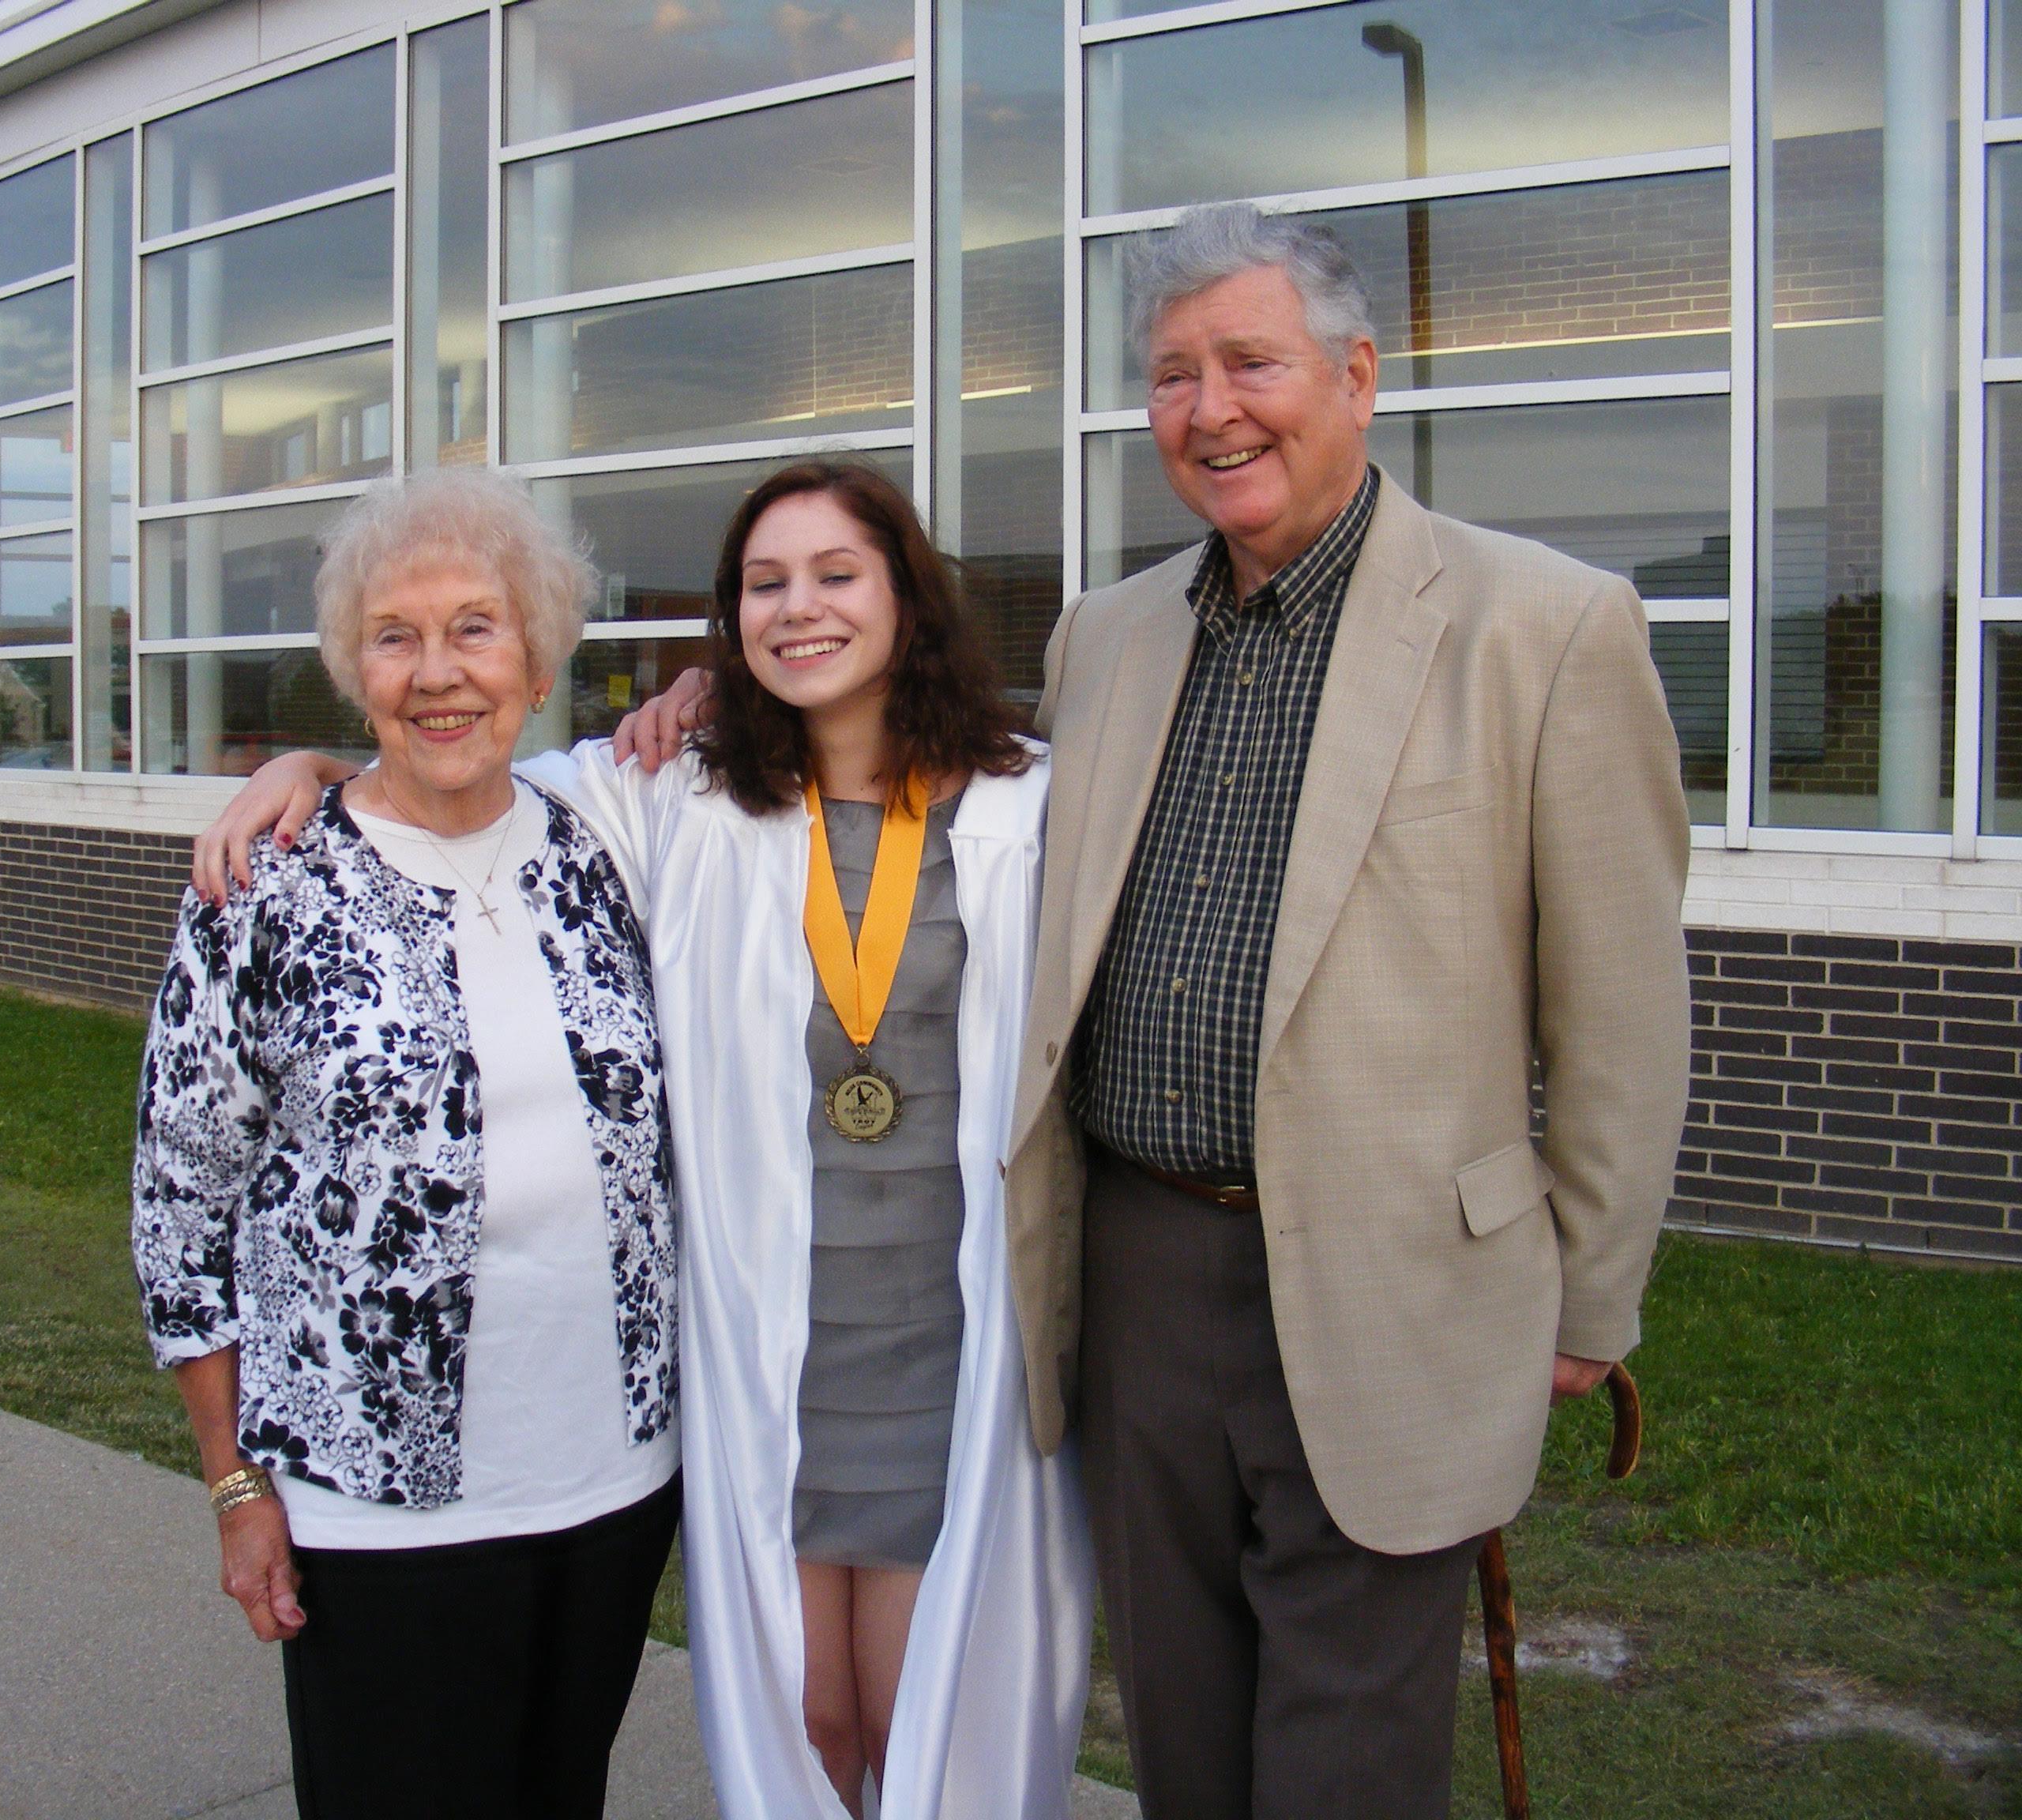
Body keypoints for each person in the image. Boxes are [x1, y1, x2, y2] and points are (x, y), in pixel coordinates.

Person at [621, 204, 1693, 1818]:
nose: (1212, 410)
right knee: (1185, 1720)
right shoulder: (1110, 640)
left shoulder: (1541, 628)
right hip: (1136, 1272)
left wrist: (1589, 1299)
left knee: (1341, 1747)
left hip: (1397, 1276)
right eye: (1174, 375)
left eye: (1251, 363)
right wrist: (716, 686)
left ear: (1355, 374)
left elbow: (1619, 1008)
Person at [196, 462, 1096, 1819]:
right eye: (764, 584)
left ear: (906, 596)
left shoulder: (1034, 804)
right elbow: (455, 774)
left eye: (835, 575)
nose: (798, 609)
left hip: (952, 1346)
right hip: (768, 1351)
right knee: (814, 1712)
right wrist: (305, 767)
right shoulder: (676, 803)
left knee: (931, 1712)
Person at [132, 470, 682, 1820]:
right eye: (396, 636)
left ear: (541, 659)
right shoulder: (266, 886)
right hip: (372, 1504)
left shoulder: (598, 845)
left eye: (476, 629)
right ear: (352, 667)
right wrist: (232, 1485)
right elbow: (177, 1212)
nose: (439, 675)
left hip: (611, 1480)